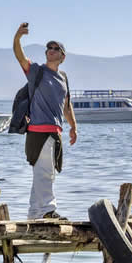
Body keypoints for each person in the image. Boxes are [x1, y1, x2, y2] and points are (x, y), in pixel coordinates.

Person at [13, 22, 78, 219]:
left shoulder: (63, 78)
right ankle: (48, 211)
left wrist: (74, 126)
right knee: (45, 173)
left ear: (62, 57)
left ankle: (34, 214)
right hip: (38, 131)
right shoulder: (37, 71)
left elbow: (66, 106)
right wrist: (17, 38)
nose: (50, 50)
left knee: (42, 174)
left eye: (55, 48)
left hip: (55, 131)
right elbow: (20, 56)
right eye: (48, 48)